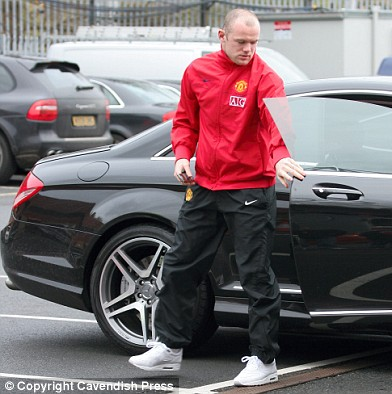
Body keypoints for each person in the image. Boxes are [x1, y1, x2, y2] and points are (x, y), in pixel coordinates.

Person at [129, 8, 305, 387]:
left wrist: (282, 156)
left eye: (255, 42)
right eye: (241, 42)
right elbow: (185, 120)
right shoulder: (198, 71)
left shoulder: (265, 78)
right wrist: (181, 154)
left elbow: (278, 125)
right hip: (205, 184)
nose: (249, 49)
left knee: (255, 274)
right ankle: (169, 348)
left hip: (250, 189)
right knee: (178, 265)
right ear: (221, 36)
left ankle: (264, 359)